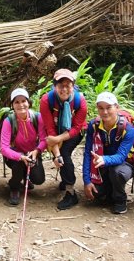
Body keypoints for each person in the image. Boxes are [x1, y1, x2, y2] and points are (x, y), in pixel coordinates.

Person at [39, 68, 87, 210]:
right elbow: (49, 128)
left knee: (64, 153)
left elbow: (76, 128)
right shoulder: (46, 100)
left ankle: (71, 192)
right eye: (61, 85)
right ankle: (66, 180)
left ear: (73, 86)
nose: (64, 89)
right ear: (54, 86)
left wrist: (57, 143)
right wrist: (56, 153)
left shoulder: (80, 101)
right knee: (61, 156)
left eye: (68, 85)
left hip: (74, 132)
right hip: (54, 131)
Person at [83, 92, 134, 214]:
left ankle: (120, 199)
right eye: (101, 108)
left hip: (123, 165)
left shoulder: (128, 129)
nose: (105, 112)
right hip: (101, 164)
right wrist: (87, 181)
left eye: (109, 107)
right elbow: (87, 153)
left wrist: (104, 159)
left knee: (117, 172)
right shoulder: (94, 125)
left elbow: (121, 156)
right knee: (97, 195)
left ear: (117, 107)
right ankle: (108, 189)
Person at [0, 88, 47, 206]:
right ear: (12, 105)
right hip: (15, 155)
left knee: (39, 179)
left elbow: (43, 139)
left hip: (32, 154)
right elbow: (4, 148)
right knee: (19, 165)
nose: (21, 105)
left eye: (23, 101)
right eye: (16, 102)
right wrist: (20, 156)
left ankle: (26, 178)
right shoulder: (9, 121)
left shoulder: (37, 117)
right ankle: (14, 187)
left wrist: (36, 151)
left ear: (28, 103)